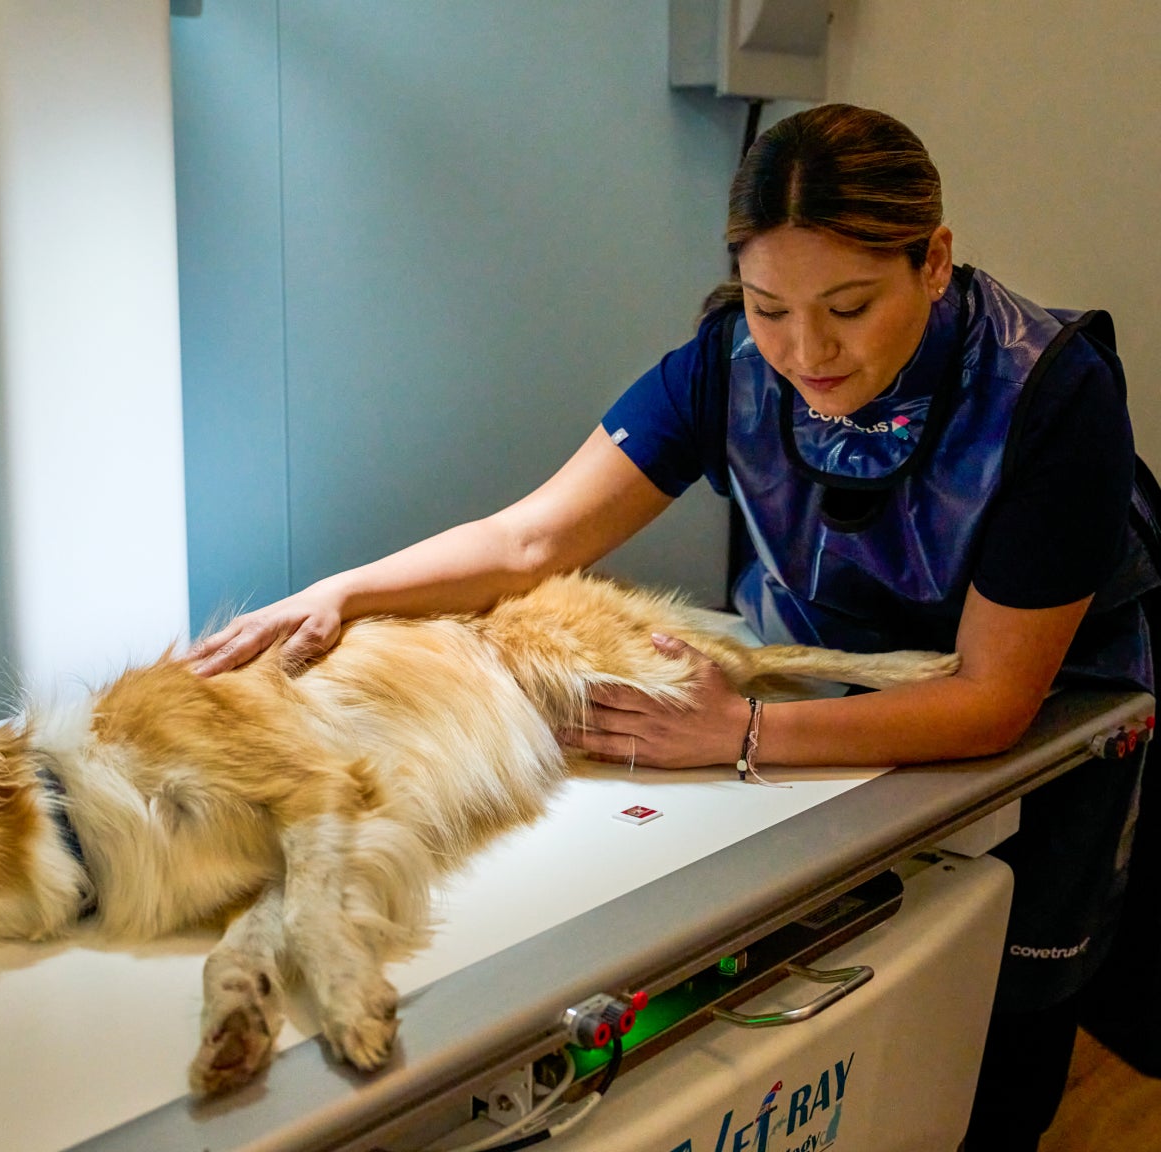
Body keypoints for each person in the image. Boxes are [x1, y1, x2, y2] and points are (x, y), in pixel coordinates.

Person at [189, 104, 1155, 1150]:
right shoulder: (727, 365)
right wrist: (344, 593)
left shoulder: (1051, 394)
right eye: (769, 307)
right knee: (870, 982)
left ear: (934, 262)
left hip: (1050, 711)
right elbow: (531, 538)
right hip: (840, 686)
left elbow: (992, 700)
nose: (807, 351)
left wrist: (741, 733)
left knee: (1004, 1031)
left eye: (849, 306)